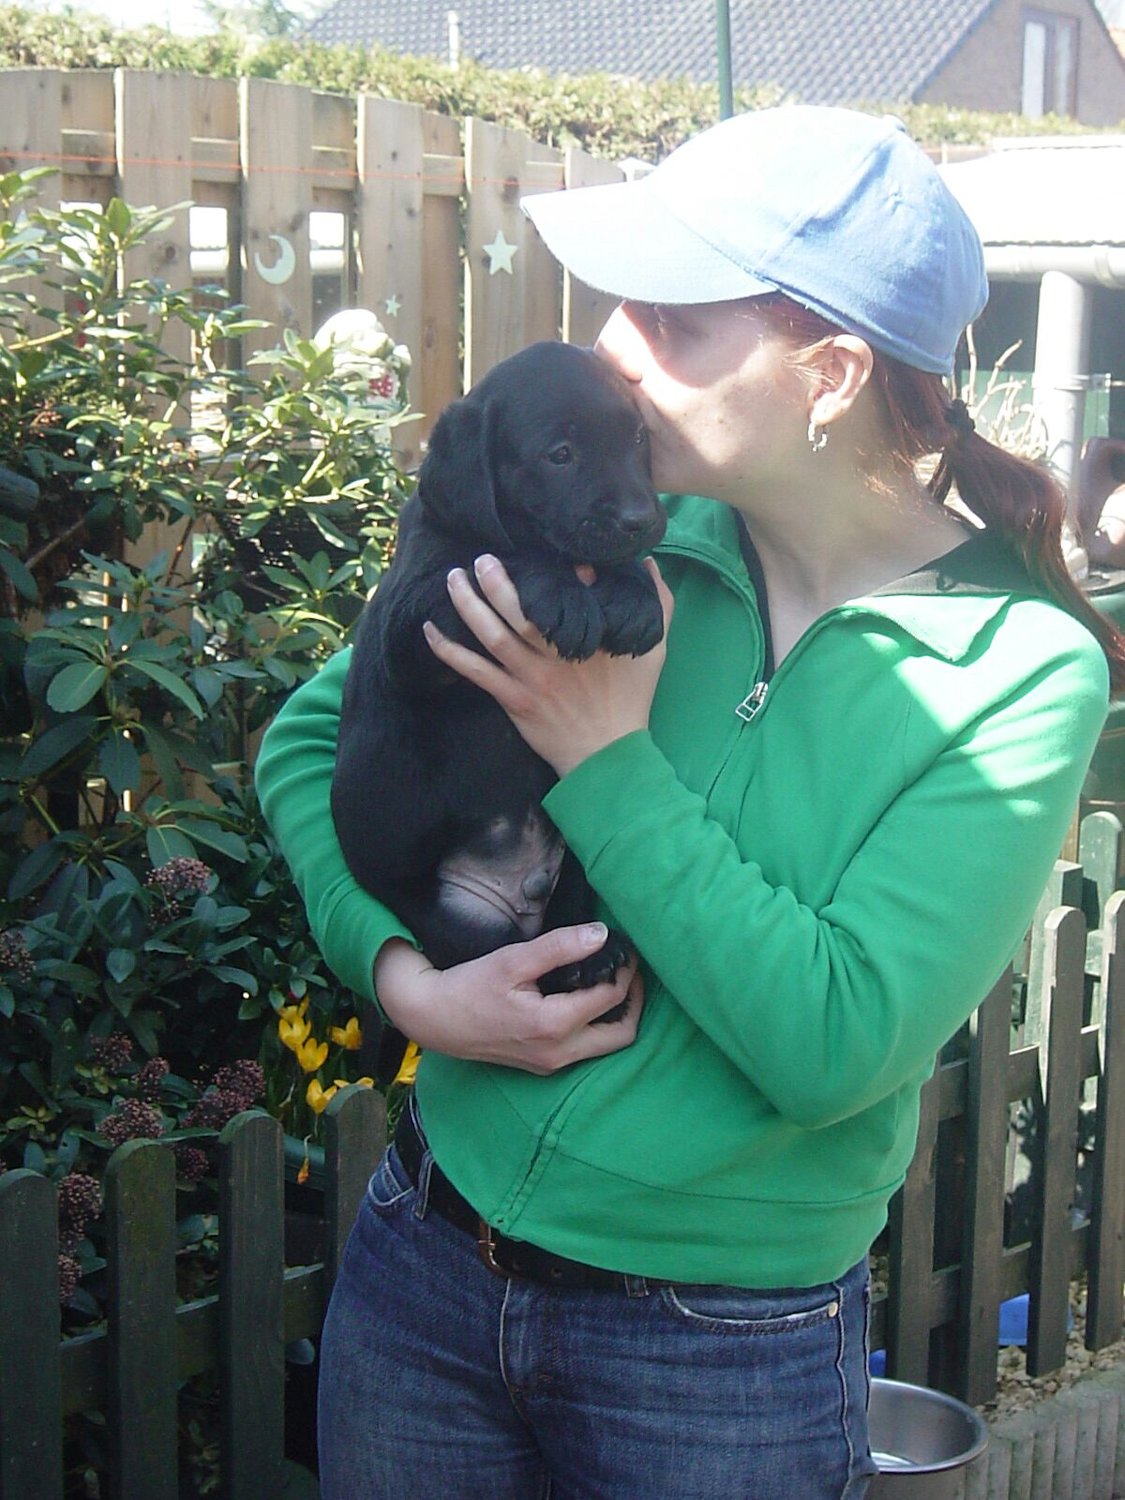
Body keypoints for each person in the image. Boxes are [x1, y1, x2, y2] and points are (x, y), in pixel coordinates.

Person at [255, 106, 1122, 1500]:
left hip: (711, 1361)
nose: (612, 347)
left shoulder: (1013, 673)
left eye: (670, 319)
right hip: (426, 1263)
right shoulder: (607, 547)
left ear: (830, 371)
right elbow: (312, 740)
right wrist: (407, 981)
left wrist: (603, 758)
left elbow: (837, 1044)